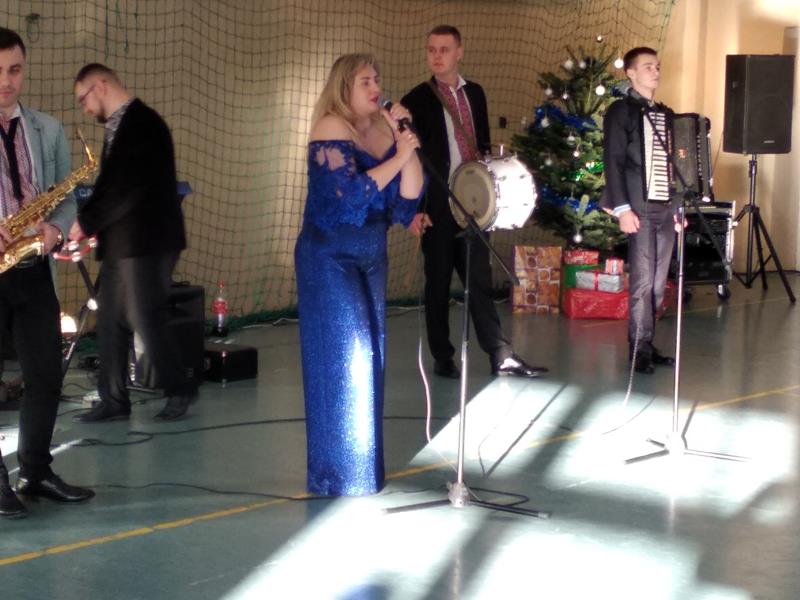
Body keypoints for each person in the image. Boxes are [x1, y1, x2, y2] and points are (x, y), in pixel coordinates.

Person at [295, 53, 424, 496]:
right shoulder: (331, 127)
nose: (376, 87)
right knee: (347, 360)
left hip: (372, 255)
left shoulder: (385, 130)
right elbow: (347, 197)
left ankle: (362, 472)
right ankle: (337, 476)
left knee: (372, 360)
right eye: (365, 81)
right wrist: (398, 156)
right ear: (344, 87)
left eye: (377, 79)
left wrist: (406, 144)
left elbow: (408, 198)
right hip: (330, 257)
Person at [401, 25, 546, 380]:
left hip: (475, 203)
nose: (437, 56)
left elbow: (481, 144)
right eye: (431, 50)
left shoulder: (476, 94)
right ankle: (442, 356)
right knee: (437, 283)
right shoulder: (417, 99)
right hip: (437, 202)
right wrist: (416, 209)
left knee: (479, 280)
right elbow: (409, 158)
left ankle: (500, 354)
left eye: (444, 49)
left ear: (459, 52)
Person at [0, 27, 94, 518]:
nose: (6, 81)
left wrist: (56, 229)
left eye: (14, 70)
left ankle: (35, 470)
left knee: (45, 374)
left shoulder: (49, 129)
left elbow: (66, 196)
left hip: (34, 266)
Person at [70, 63, 197, 422]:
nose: (85, 109)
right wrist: (86, 224)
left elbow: (127, 189)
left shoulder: (143, 125)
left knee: (144, 314)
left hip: (148, 241)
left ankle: (180, 387)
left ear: (101, 85)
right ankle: (114, 399)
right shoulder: (119, 126)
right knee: (110, 317)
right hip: (124, 242)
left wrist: (86, 223)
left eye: (84, 99)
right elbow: (110, 186)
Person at [601, 47, 679, 374]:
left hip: (665, 208)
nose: (655, 71)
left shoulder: (667, 115)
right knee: (643, 283)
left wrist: (678, 207)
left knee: (659, 284)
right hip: (638, 207)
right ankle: (638, 350)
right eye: (648, 67)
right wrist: (622, 208)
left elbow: (676, 166)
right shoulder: (620, 111)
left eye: (657, 66)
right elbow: (613, 161)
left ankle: (647, 341)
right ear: (631, 73)